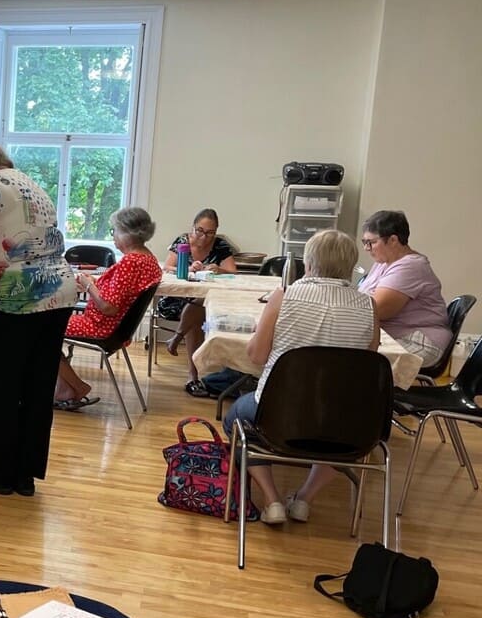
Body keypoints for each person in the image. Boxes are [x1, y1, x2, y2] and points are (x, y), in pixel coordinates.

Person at [223, 230, 379, 524]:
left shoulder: (286, 295)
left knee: (235, 419)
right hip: (342, 420)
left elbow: (256, 356)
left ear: (308, 263)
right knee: (350, 431)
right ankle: (304, 498)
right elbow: (368, 362)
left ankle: (272, 500)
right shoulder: (368, 305)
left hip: (280, 414)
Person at [0, 139, 77, 497]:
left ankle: (1, 474)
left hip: (16, 297)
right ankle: (25, 475)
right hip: (56, 292)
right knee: (37, 388)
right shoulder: (29, 183)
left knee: (1, 386)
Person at [54, 206, 163, 410]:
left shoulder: (131, 262)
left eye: (115, 230)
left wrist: (89, 286)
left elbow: (109, 307)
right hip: (117, 329)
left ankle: (76, 387)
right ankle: (64, 390)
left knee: (43, 331)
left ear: (128, 233)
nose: (113, 236)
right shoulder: (148, 260)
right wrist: (96, 283)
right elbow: (120, 293)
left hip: (102, 328)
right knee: (47, 328)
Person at [158, 209, 238, 396]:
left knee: (199, 307)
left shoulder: (220, 246)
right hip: (174, 299)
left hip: (201, 302)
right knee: (198, 313)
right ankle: (192, 377)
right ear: (192, 228)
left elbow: (234, 272)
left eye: (210, 232)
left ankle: (177, 341)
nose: (204, 236)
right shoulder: (182, 242)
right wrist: (186, 267)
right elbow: (167, 267)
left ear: (216, 231)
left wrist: (218, 269)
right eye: (200, 231)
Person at [358, 210, 452, 366]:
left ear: (393, 240)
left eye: (371, 242)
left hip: (420, 342)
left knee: (355, 360)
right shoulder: (383, 263)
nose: (367, 248)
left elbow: (377, 309)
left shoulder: (411, 266)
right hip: (394, 337)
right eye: (364, 242)